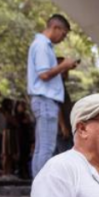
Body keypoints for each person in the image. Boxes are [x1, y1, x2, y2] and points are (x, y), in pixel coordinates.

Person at [28, 14, 78, 179]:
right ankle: (42, 188)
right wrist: (62, 66)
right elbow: (43, 75)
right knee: (47, 147)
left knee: (42, 146)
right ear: (55, 28)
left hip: (44, 100)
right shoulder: (42, 45)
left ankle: (38, 185)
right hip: (45, 100)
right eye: (63, 34)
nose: (62, 39)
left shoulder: (42, 45)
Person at [15, 100, 34, 180]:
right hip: (20, 137)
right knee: (21, 155)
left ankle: (25, 172)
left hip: (26, 137)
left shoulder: (26, 115)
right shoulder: (16, 116)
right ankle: (20, 172)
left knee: (26, 155)